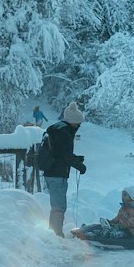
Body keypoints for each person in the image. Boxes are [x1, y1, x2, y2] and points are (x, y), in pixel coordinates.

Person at [42, 101, 86, 236]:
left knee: (56, 205)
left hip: (50, 172)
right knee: (59, 207)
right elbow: (65, 156)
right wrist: (80, 166)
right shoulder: (65, 133)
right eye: (78, 123)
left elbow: (59, 153)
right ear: (73, 122)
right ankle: (56, 235)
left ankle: (54, 233)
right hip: (57, 174)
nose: (79, 126)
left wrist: (75, 159)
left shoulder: (56, 129)